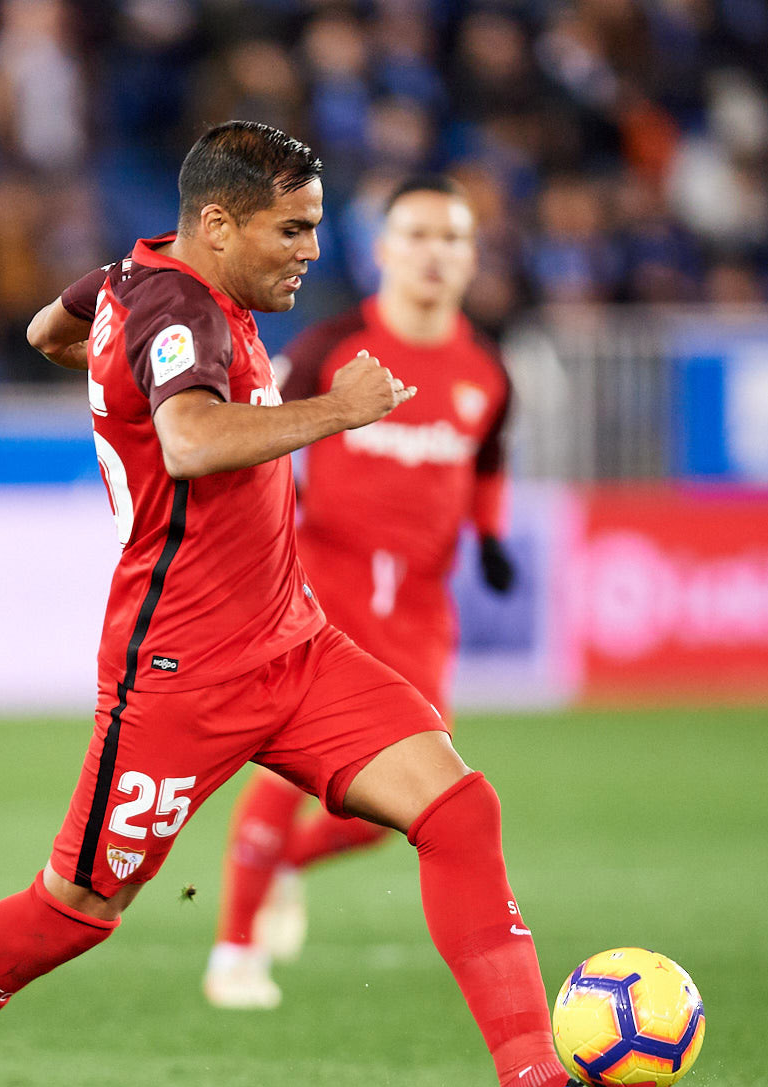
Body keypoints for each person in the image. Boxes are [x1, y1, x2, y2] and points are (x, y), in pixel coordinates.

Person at [0, 122, 687, 1087]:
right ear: (217, 224)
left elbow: (44, 337)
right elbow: (185, 440)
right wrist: (337, 408)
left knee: (457, 809)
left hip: (295, 642)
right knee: (75, 909)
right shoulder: (176, 306)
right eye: (292, 230)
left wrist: (112, 378)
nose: (311, 251)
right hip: (178, 672)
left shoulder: (134, 280)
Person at [202, 173, 518, 1010]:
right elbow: (253, 431)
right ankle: (234, 953)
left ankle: (281, 870)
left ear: (472, 257)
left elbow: (486, 463)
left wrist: (490, 538)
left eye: (452, 239)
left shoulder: (486, 372)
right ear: (382, 250)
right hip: (318, 593)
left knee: (402, 809)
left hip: (420, 609)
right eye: (416, 236)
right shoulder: (331, 347)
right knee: (284, 773)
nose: (434, 254)